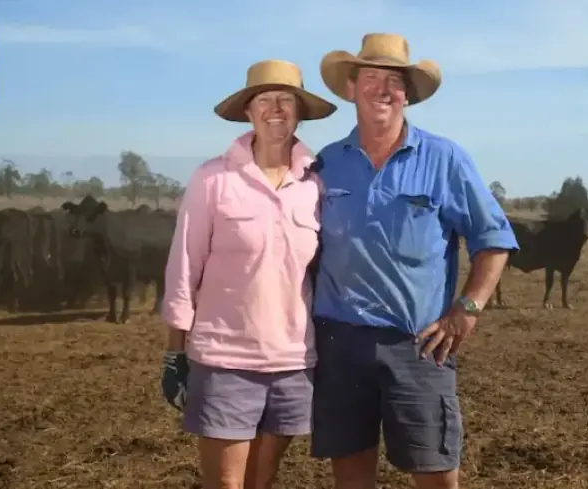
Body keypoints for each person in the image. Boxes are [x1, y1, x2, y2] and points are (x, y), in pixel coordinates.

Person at [310, 33, 520, 489]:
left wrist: (467, 310)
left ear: (408, 94)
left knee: (436, 473)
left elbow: (494, 238)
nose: (382, 89)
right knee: (350, 474)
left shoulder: (444, 158)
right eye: (371, 77)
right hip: (339, 342)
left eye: (394, 80)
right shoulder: (326, 164)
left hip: (419, 344)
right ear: (350, 88)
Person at [160, 59, 336, 489]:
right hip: (224, 360)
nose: (275, 109)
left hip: (293, 361)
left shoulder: (316, 183)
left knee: (263, 481)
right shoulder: (212, 179)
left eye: (286, 101)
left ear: (299, 112)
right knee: (226, 484)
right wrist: (174, 352)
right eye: (265, 101)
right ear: (248, 112)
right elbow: (184, 267)